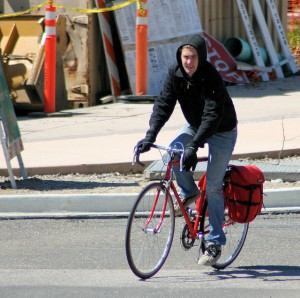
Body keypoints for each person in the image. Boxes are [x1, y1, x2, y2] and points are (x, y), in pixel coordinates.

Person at [135, 34, 237, 266]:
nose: (188, 62)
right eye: (185, 57)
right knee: (172, 153)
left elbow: (212, 116)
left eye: (193, 57)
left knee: (212, 186)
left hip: (221, 129)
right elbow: (164, 104)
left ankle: (215, 243)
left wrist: (194, 145)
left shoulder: (212, 77)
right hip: (194, 125)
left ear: (201, 58)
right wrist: (150, 135)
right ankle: (190, 191)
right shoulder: (176, 73)